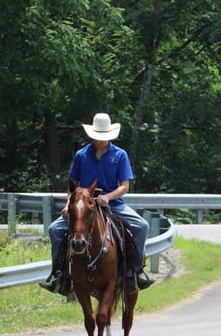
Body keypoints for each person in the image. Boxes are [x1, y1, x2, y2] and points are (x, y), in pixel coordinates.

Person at [39, 113, 154, 295]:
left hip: (113, 204)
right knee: (54, 230)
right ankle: (59, 275)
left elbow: (125, 186)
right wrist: (68, 203)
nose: (100, 140)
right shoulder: (81, 155)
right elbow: (73, 186)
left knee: (142, 225)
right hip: (83, 205)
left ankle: (134, 272)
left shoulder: (120, 155)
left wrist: (108, 197)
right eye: (98, 136)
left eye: (104, 137)